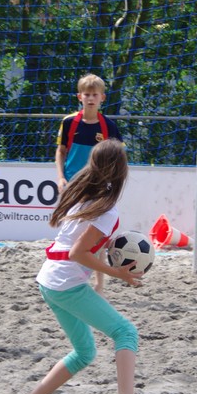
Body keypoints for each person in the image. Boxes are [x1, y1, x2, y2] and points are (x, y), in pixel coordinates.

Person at [16, 139, 164, 394]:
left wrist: (101, 281)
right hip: (66, 284)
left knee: (84, 352)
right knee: (126, 332)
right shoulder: (106, 211)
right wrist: (118, 273)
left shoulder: (84, 197)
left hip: (50, 281)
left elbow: (88, 247)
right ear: (121, 171)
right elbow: (78, 252)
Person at [54, 73, 123, 293]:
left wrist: (111, 181)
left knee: (95, 235)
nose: (90, 98)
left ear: (102, 97)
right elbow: (61, 151)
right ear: (79, 97)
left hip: (98, 186)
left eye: (95, 94)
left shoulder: (108, 126)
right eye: (87, 94)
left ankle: (99, 283)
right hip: (73, 186)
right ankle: (71, 277)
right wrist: (60, 177)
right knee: (71, 233)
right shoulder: (69, 122)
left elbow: (118, 155)